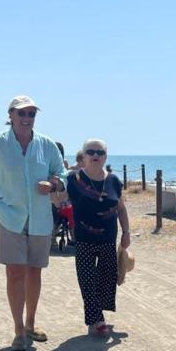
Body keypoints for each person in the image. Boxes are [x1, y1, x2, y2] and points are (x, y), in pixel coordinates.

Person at [0, 95, 66, 351]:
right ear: (11, 116)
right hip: (10, 217)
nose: (27, 118)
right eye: (22, 113)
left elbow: (62, 174)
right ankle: (17, 330)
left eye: (31, 114)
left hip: (40, 217)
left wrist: (54, 184)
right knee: (15, 271)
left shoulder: (47, 145)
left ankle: (30, 323)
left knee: (35, 270)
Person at [66, 139, 131, 337]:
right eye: (91, 152)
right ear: (83, 156)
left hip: (108, 238)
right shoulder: (73, 180)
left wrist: (126, 232)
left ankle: (97, 315)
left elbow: (120, 208)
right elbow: (58, 197)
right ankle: (97, 319)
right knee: (87, 279)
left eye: (100, 152)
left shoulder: (113, 181)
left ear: (105, 156)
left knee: (106, 279)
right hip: (84, 238)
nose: (95, 155)